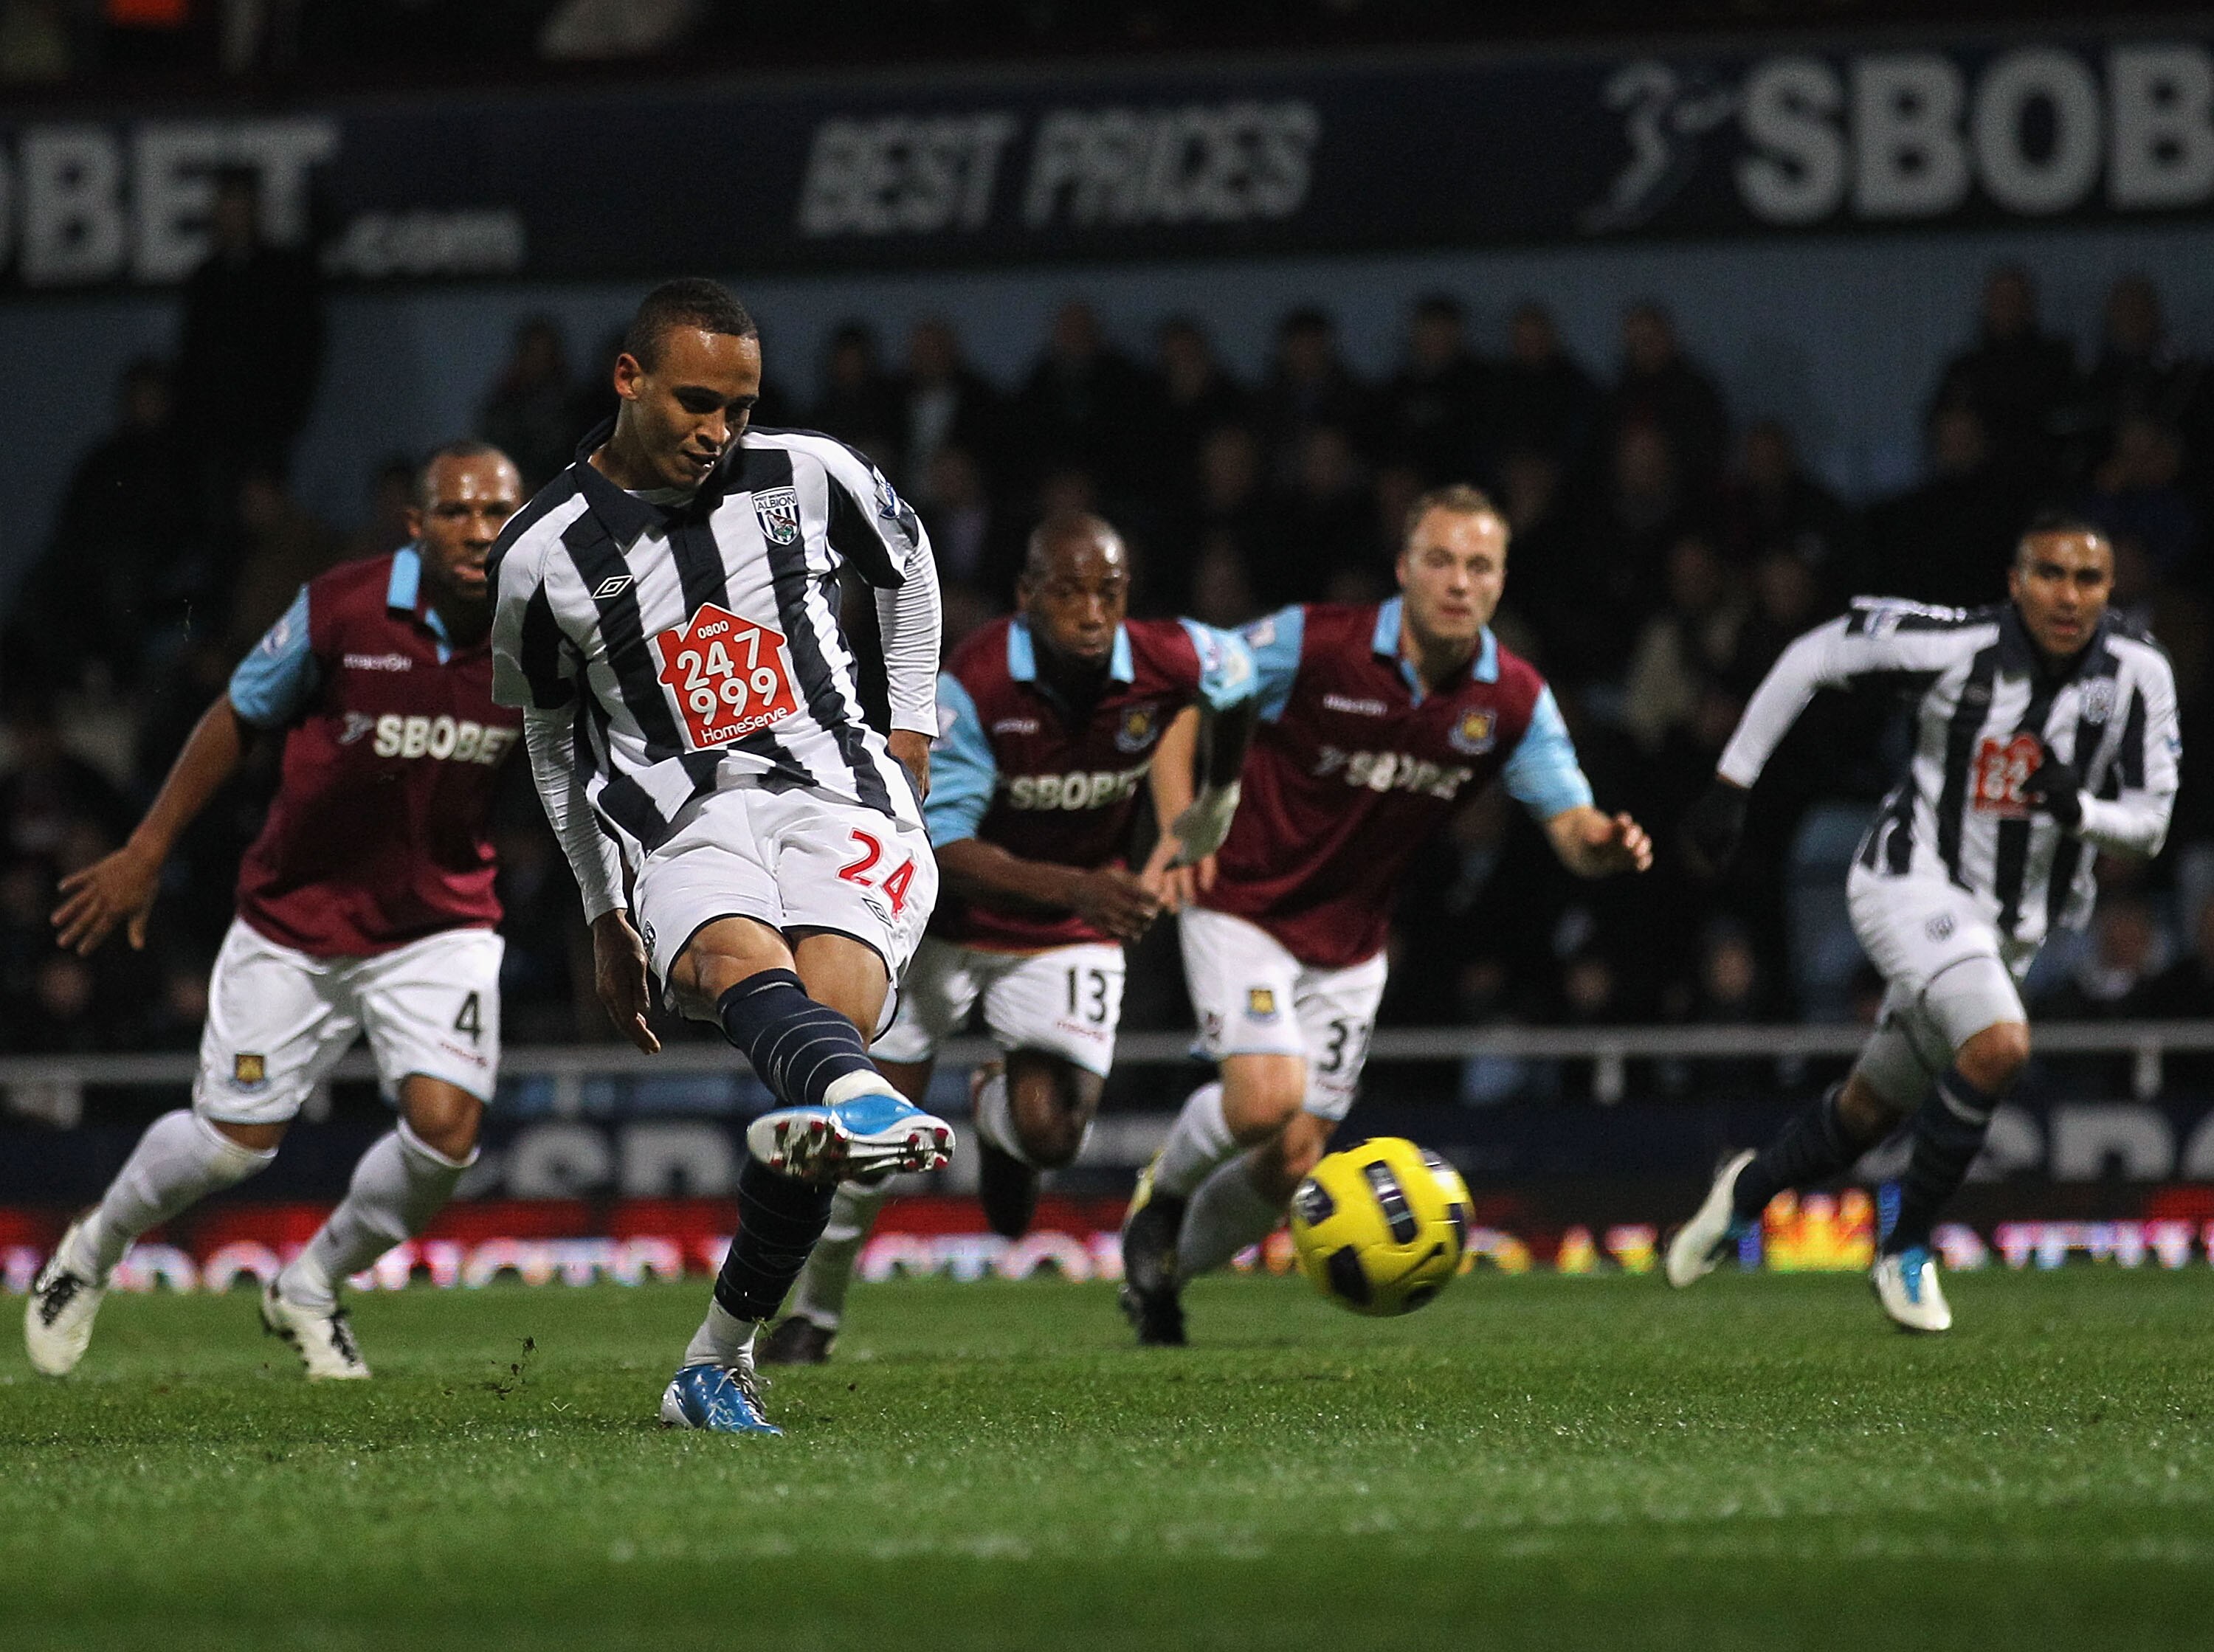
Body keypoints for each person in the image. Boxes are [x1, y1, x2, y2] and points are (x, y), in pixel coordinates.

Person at [488, 278, 953, 1435]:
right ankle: (854, 1094)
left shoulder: (811, 471)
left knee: (824, 1032)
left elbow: (912, 572)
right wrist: (604, 913)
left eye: (740, 406)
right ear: (628, 378)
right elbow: (551, 743)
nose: (720, 430)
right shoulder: (540, 555)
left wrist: (910, 737)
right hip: (679, 817)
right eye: (698, 401)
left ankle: (713, 1358)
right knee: (747, 978)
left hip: (839, 790)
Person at [27, 443, 526, 1381]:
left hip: (440, 921)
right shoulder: (342, 607)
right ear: (416, 525)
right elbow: (237, 714)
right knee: (231, 1148)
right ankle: (92, 1248)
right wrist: (147, 847)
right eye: (457, 512)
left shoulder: (540, 626)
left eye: (498, 511)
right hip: (295, 920)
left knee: (447, 1134)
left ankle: (311, 1284)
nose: (479, 530)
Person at [1121, 484, 1653, 1345]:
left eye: (1478, 565)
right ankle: (1164, 1199)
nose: (1457, 580)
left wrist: (1607, 842)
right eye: (1439, 560)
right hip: (1244, 901)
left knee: (1294, 1156)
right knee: (1264, 1098)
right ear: (1404, 569)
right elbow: (1189, 697)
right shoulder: (1316, 643)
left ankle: (1162, 1276)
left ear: (1500, 582)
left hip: (1352, 944)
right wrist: (1186, 824)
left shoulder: (1512, 699)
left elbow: (1571, 825)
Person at [762, 512, 1258, 1365]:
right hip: (944, 924)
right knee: (868, 1145)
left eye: (1110, 592)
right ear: (1030, 596)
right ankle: (817, 1314)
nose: (1094, 613)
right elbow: (946, 850)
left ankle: (999, 1114)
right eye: (1070, 593)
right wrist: (1086, 888)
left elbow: (1240, 678)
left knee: (1054, 1140)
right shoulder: (973, 686)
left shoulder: (1164, 658)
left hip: (1067, 925)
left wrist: (1218, 794)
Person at [1669, 516, 2179, 1332]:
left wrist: (2075, 807)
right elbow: (1815, 654)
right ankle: (1905, 1246)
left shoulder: (2140, 673)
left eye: (2088, 580)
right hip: (1909, 881)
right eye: (2050, 573)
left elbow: (2151, 824)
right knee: (2001, 1044)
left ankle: (1748, 1190)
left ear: (2110, 590)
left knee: (1868, 1112)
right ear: (2016, 582)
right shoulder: (1955, 645)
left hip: (2009, 927)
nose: (2069, 595)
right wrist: (1732, 783)